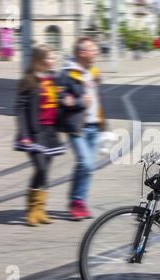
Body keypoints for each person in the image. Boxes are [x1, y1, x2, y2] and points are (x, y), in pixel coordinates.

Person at [14, 45, 66, 227]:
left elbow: (55, 104)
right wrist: (24, 133)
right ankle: (31, 209)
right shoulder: (29, 80)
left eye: (53, 58)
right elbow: (20, 110)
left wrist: (63, 100)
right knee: (41, 168)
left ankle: (40, 210)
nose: (53, 61)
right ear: (41, 59)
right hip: (34, 133)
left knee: (45, 171)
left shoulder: (52, 79)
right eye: (50, 58)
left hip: (50, 132)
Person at [57, 37, 105, 220]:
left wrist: (102, 122)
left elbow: (97, 99)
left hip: (93, 125)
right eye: (93, 49)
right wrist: (78, 102)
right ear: (82, 53)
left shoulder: (93, 72)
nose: (96, 52)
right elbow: (61, 99)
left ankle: (78, 202)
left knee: (86, 166)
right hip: (76, 126)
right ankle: (76, 200)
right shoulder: (66, 74)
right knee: (85, 163)